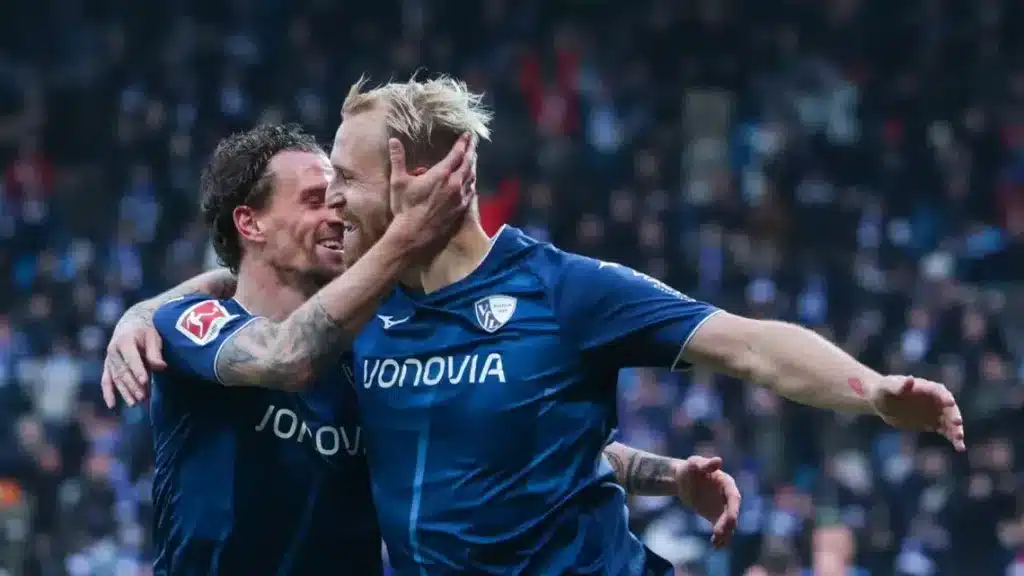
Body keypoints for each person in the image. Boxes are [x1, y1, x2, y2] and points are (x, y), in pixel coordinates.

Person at [109, 75, 962, 573]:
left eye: (346, 180)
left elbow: (747, 342)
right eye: (320, 186)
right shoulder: (358, 324)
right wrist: (145, 310)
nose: (335, 201)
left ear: (423, 181)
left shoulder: (561, 290)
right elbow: (277, 332)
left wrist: (874, 393)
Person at [104, 123, 742, 574]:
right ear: (250, 223)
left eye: (338, 197)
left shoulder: (373, 348)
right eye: (311, 201)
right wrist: (404, 238)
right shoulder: (194, 320)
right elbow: (284, 358)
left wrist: (667, 476)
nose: (336, 213)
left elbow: (515, 430)